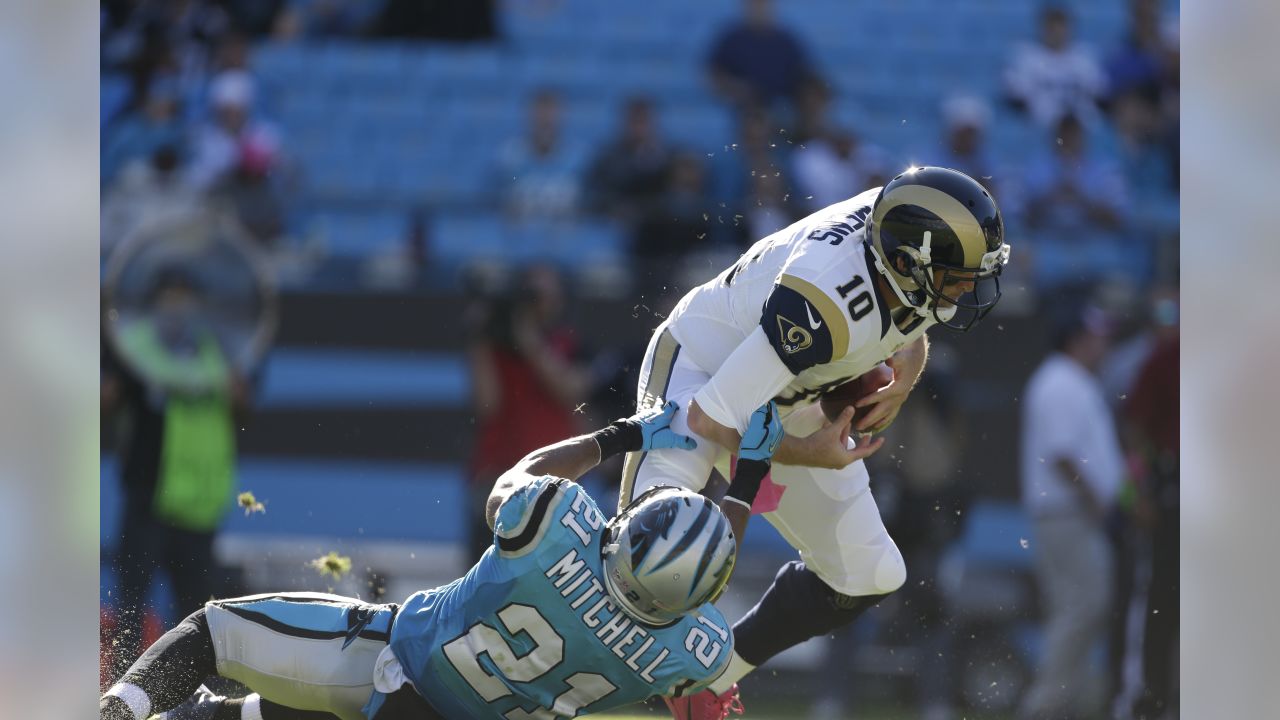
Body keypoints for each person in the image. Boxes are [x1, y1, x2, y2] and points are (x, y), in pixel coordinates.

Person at [101, 401, 785, 720]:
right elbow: (697, 574)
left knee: (211, 633)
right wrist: (748, 480)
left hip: (393, 663)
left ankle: (119, 713)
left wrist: (623, 434)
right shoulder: (688, 649)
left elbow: (521, 474)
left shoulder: (556, 529)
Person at [621, 166, 1012, 719]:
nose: (968, 288)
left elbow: (915, 319)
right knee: (645, 559)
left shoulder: (899, 232)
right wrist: (807, 453)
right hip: (701, 376)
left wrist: (903, 380)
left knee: (868, 573)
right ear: (903, 264)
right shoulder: (824, 301)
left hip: (788, 394)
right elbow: (713, 418)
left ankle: (705, 679)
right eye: (956, 276)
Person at [101, 265, 251, 679]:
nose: (178, 305)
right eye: (170, 295)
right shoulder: (131, 347)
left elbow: (242, 407)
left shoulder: (218, 352)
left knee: (197, 616)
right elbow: (104, 404)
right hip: (147, 496)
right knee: (132, 607)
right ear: (154, 304)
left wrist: (233, 386)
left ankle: (194, 697)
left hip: (199, 506)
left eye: (186, 296)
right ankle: (121, 698)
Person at [1017, 305, 1126, 720]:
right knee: (1084, 605)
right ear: (1075, 339)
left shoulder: (1071, 381)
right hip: (1068, 513)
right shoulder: (1061, 382)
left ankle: (1063, 702)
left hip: (1070, 512)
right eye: (1096, 337)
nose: (1104, 345)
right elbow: (1062, 455)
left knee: (1077, 606)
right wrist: (1097, 503)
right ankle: (1046, 704)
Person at [466, 265, 589, 561]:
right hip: (498, 471)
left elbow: (571, 390)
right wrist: (478, 338)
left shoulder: (566, 342)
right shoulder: (495, 348)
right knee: (486, 571)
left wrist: (530, 339)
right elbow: (487, 405)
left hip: (553, 475)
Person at [1003, 4, 1106, 128]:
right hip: (1039, 128)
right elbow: (1017, 100)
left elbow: (1099, 95)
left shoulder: (1085, 58)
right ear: (1042, 29)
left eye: (1061, 27)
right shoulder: (1025, 58)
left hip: (1079, 128)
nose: (1057, 33)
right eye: (1052, 28)